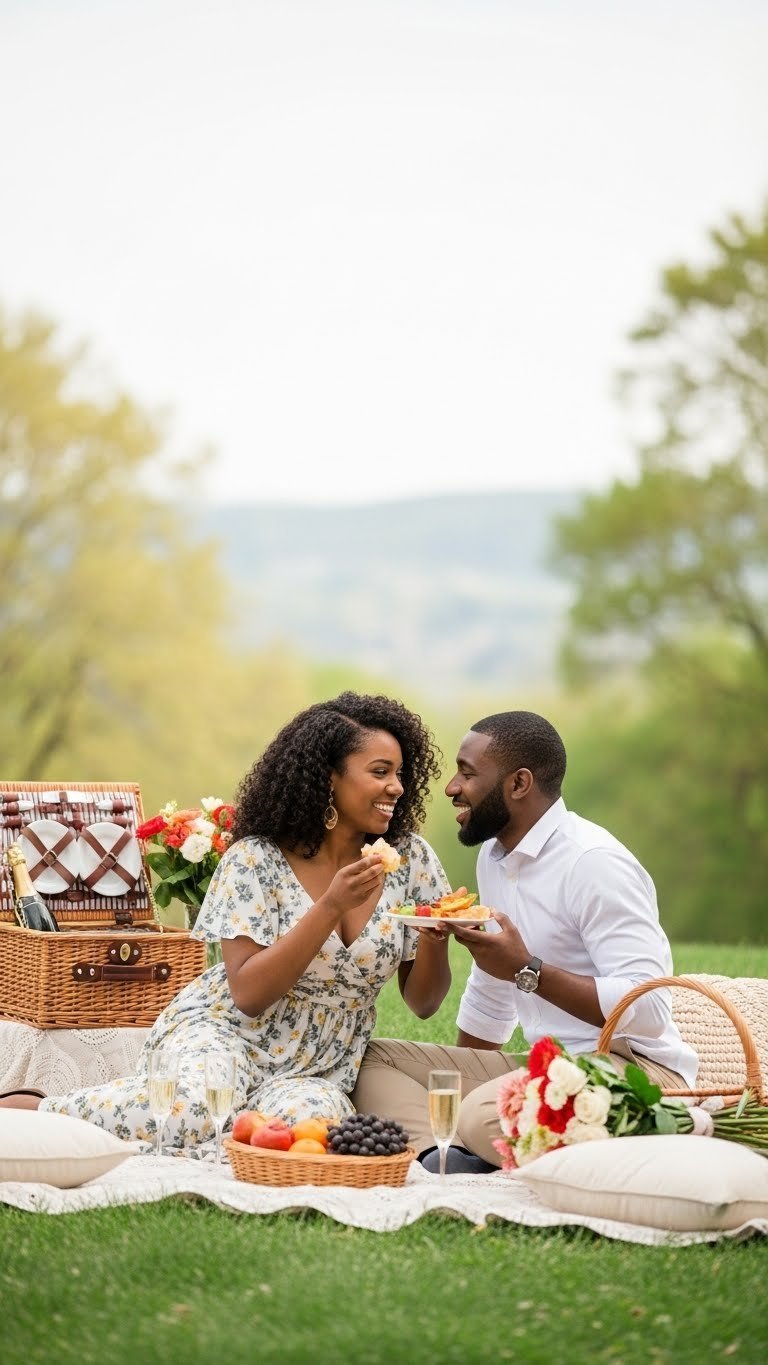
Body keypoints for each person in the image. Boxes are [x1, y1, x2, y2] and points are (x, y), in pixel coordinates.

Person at [0, 692, 452, 1151]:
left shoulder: (411, 860)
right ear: (328, 778)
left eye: (399, 773)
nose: (397, 786)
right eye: (380, 772)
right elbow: (249, 995)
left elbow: (423, 1003)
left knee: (308, 1135)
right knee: (193, 1113)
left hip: (319, 1065)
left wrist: (436, 938)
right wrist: (330, 908)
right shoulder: (256, 859)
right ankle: (29, 1109)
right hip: (225, 1033)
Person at [352, 710, 698, 1167]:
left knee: (479, 1112)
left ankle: (461, 1145)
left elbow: (650, 1007)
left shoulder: (593, 864)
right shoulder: (494, 859)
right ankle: (451, 1152)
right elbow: (491, 991)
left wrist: (527, 970)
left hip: (630, 1069)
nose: (451, 787)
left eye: (467, 773)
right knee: (371, 1062)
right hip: (543, 1069)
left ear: (518, 784)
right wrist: (461, 1075)